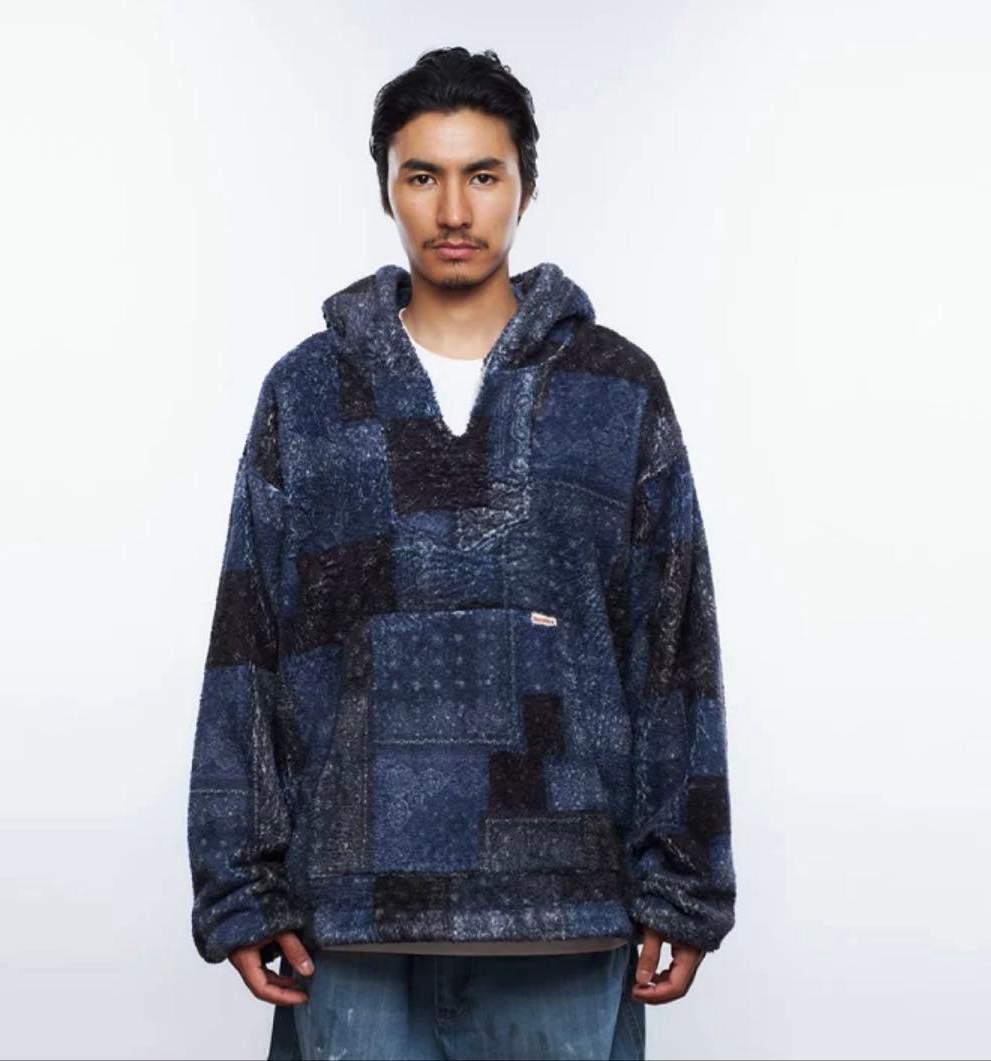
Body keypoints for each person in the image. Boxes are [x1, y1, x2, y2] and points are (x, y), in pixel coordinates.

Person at [186, 46, 736, 1061]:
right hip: (350, 919)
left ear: (525, 185)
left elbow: (672, 647)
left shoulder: (615, 389)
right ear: (386, 188)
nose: (452, 210)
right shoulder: (308, 393)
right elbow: (248, 641)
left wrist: (686, 880)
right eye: (422, 176)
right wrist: (238, 883)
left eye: (482, 175)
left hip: (566, 914)